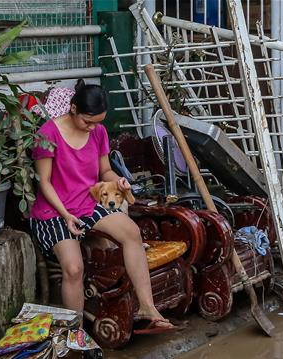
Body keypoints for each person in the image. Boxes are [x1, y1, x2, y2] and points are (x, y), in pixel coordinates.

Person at [28, 80, 177, 331]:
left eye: (98, 121)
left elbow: (105, 170)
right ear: (73, 108)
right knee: (74, 269)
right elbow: (44, 182)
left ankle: (147, 307)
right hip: (54, 211)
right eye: (88, 121)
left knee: (131, 232)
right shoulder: (48, 134)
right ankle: (75, 333)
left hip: (87, 203)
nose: (93, 127)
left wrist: (118, 181)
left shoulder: (98, 132)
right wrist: (65, 215)